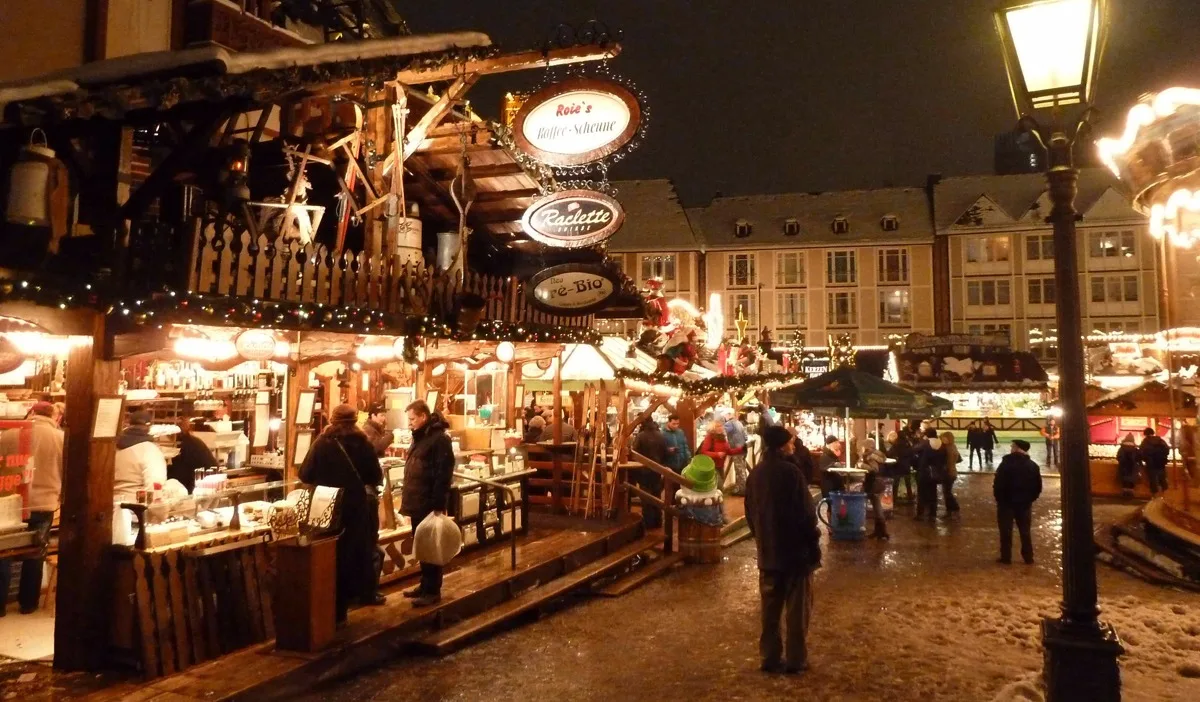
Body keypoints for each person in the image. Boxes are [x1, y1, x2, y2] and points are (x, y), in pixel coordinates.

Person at [745, 425, 821, 674]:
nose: (793, 445)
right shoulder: (792, 473)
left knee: (770, 610)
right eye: (790, 442)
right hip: (796, 554)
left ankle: (769, 657)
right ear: (781, 445)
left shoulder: (755, 474)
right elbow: (806, 514)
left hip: (768, 553)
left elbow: (750, 512)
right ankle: (796, 660)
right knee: (797, 612)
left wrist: (761, 538)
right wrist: (813, 543)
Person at [300, 404, 385, 621]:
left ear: (333, 420)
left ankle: (326, 610)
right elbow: (375, 476)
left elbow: (305, 474)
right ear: (355, 420)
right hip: (355, 508)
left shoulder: (322, 443)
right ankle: (342, 610)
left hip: (325, 508)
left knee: (327, 555)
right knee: (351, 555)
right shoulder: (363, 443)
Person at [0, 402, 63, 615]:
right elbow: (66, 471)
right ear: (53, 416)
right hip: (43, 504)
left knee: (4, 551)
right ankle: (28, 604)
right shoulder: (60, 439)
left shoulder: (8, 435)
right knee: (35, 553)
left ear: (32, 412)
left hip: (10, 503)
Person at [398, 400, 455, 606]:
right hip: (417, 501)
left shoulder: (439, 440)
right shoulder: (420, 438)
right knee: (422, 546)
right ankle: (424, 584)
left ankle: (432, 591)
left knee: (431, 547)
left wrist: (438, 504)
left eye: (412, 419)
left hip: (428, 503)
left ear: (423, 416)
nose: (410, 423)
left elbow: (443, 474)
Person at [993, 439, 1043, 565]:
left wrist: (999, 498)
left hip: (1006, 503)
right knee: (1025, 531)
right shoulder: (1033, 465)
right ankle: (1028, 557)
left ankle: (1006, 557)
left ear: (1017, 448)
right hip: (1024, 504)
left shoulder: (1006, 464)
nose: (1011, 447)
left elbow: (998, 483)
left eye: (1012, 446)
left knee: (1006, 531)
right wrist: (1030, 498)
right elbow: (1038, 486)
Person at [114, 410, 168, 502]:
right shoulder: (150, 450)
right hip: (135, 508)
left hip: (112, 504)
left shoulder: (114, 447)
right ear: (149, 427)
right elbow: (155, 486)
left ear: (129, 425)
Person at [630, 418, 667, 529]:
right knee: (656, 495)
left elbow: (634, 452)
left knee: (646, 497)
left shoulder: (641, 436)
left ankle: (649, 523)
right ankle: (658, 521)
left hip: (644, 470)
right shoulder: (660, 435)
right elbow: (665, 452)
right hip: (657, 470)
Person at [169, 419, 218, 493]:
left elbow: (179, 475)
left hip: (192, 494)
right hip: (200, 492)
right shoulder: (193, 442)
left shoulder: (187, 445)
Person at [857, 438, 889, 540]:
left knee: (877, 507)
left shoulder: (870, 456)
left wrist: (861, 465)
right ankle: (879, 531)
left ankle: (882, 531)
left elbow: (874, 469)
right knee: (877, 507)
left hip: (873, 483)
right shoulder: (879, 454)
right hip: (880, 482)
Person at [914, 428, 946, 522]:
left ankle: (920, 514)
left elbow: (914, 449)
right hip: (936, 472)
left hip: (924, 472)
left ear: (927, 435)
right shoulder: (941, 445)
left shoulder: (925, 444)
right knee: (933, 493)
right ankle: (933, 514)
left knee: (921, 494)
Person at [723, 412, 750, 495]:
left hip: (736, 449)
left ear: (728, 415)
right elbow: (746, 437)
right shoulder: (739, 423)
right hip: (743, 448)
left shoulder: (729, 424)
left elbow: (722, 433)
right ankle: (743, 487)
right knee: (743, 468)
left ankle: (742, 490)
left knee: (739, 470)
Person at [886, 429, 915, 502]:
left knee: (896, 483)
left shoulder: (896, 444)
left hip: (897, 466)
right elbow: (911, 453)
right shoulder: (907, 444)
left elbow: (890, 453)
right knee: (908, 483)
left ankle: (894, 498)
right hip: (906, 465)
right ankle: (910, 497)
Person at [1140, 427, 1170, 495]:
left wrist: (1145, 459)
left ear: (1145, 434)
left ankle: (1155, 496)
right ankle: (1165, 495)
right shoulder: (1160, 440)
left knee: (1153, 480)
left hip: (1151, 464)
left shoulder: (1145, 442)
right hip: (1161, 463)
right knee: (1162, 479)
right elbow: (1167, 450)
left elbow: (1141, 453)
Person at [938, 430, 962, 518]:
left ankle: (953, 508)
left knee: (947, 492)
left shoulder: (948, 449)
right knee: (947, 492)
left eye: (944, 438)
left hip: (949, 472)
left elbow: (949, 462)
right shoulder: (952, 447)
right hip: (952, 472)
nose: (943, 440)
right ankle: (952, 508)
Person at [1116, 433, 1141, 498]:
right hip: (1133, 468)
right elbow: (1139, 458)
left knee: (1124, 481)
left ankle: (1124, 494)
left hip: (1123, 467)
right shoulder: (1135, 449)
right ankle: (1130, 495)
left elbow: (1118, 457)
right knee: (1131, 482)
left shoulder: (1121, 449)